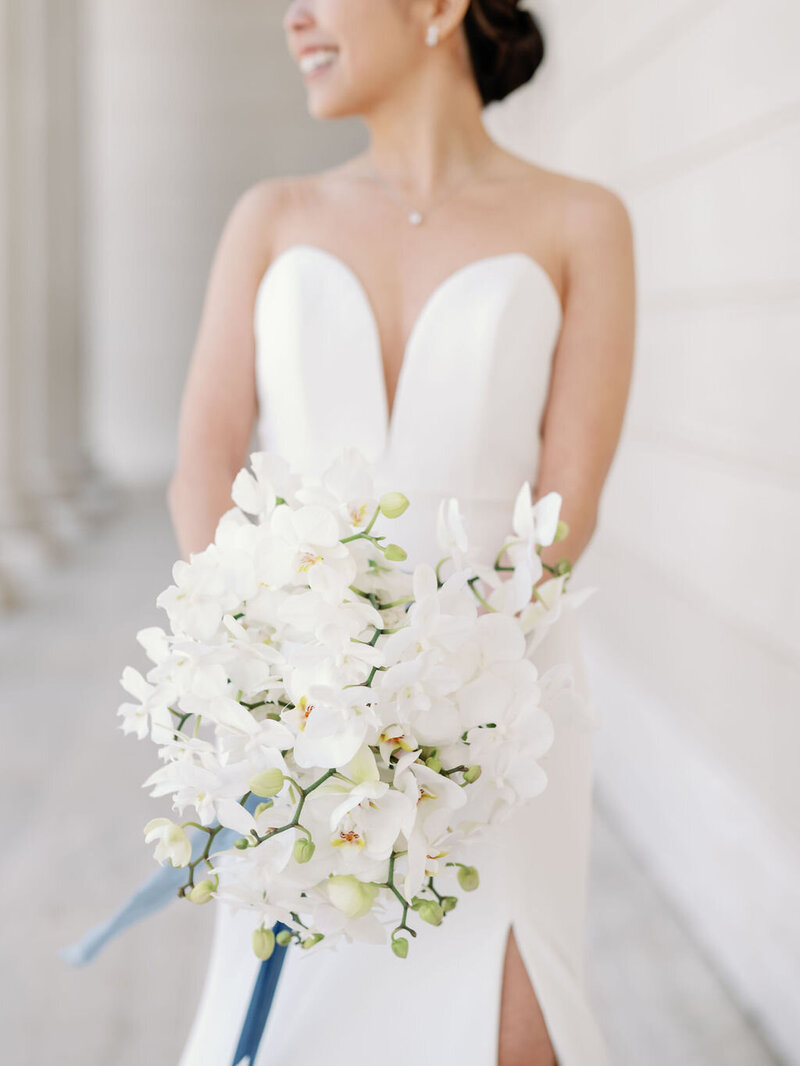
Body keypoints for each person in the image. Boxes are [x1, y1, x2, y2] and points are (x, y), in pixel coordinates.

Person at [167, 1, 636, 1063]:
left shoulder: (580, 219)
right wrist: (252, 675)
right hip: (295, 708)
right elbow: (201, 461)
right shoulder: (272, 214)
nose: (292, 20)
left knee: (508, 1028)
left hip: (501, 702)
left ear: (436, 7)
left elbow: (567, 495)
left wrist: (447, 698)